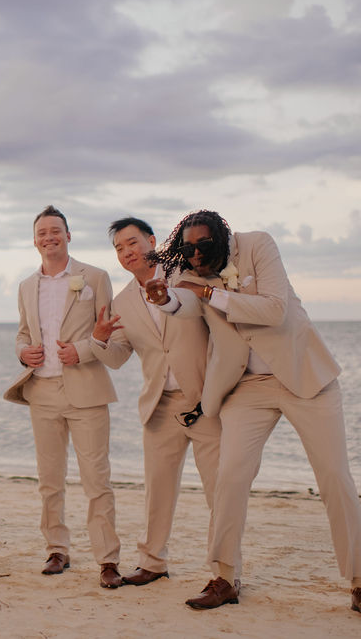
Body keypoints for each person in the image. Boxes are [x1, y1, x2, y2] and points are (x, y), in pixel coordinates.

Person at [148, 209, 361, 624]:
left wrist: (208, 294)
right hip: (248, 386)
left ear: (222, 239)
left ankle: (360, 585)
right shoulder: (191, 272)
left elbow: (275, 310)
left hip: (305, 376)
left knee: (334, 476)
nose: (196, 254)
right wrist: (166, 298)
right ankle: (224, 578)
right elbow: (184, 304)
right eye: (187, 248)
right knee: (230, 475)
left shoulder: (258, 244)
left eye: (203, 245)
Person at [89, 216, 226, 587]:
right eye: (119, 248)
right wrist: (99, 340)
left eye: (132, 243)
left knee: (220, 491)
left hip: (205, 400)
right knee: (158, 490)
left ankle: (225, 573)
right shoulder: (122, 302)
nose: (127, 252)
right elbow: (118, 357)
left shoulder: (187, 277)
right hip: (160, 405)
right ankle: (152, 562)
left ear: (151, 240)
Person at [3, 205, 122, 588]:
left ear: (68, 236)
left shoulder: (96, 277)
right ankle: (57, 549)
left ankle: (107, 559)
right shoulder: (26, 286)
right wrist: (23, 352)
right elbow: (23, 333)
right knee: (49, 479)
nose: (49, 237)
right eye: (42, 232)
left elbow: (111, 332)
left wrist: (83, 350)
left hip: (86, 389)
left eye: (56, 231)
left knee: (96, 480)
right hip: (42, 391)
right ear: (34, 240)